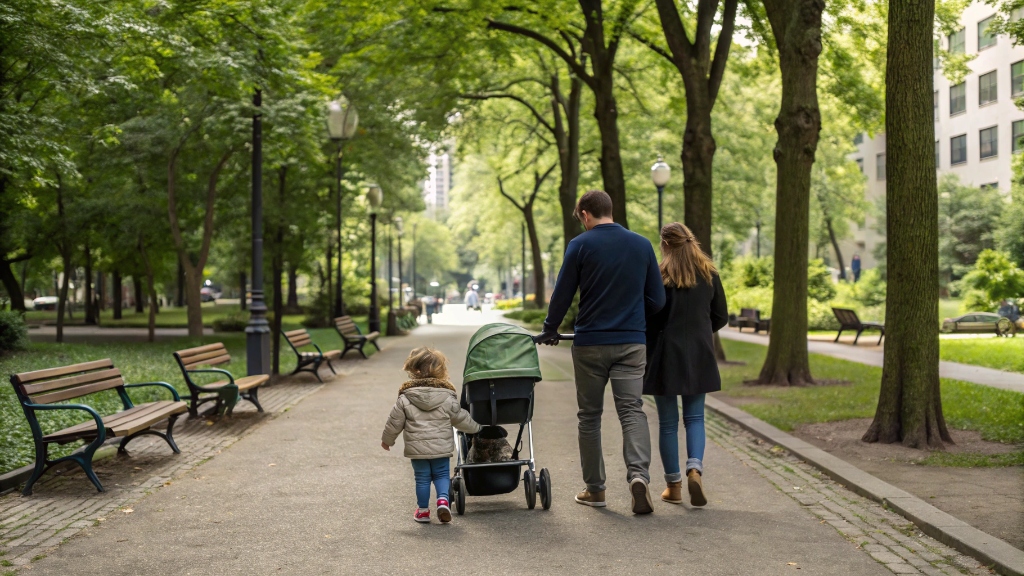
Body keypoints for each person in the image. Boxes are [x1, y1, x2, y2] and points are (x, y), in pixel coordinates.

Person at [536, 190, 666, 514]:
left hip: (591, 343)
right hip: (631, 343)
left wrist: (551, 329)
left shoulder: (580, 245)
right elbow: (658, 300)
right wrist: (634, 318)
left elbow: (563, 293)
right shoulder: (641, 244)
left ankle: (596, 490)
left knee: (590, 417)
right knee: (632, 411)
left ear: (584, 214)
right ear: (610, 209)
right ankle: (639, 477)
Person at [644, 223, 728, 508]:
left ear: (666, 244)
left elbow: (650, 316)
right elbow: (721, 316)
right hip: (700, 353)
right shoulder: (709, 273)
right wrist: (703, 330)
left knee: (667, 423)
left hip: (666, 354)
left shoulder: (659, 274)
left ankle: (674, 485)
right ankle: (695, 469)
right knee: (695, 418)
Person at [381, 347, 482, 524]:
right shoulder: (447, 396)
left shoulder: (405, 397)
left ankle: (423, 511)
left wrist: (387, 440)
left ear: (413, 370)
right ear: (441, 370)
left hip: (417, 449)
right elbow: (460, 418)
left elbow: (394, 421)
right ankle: (443, 501)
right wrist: (477, 428)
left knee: (422, 479)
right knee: (442, 475)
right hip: (441, 448)